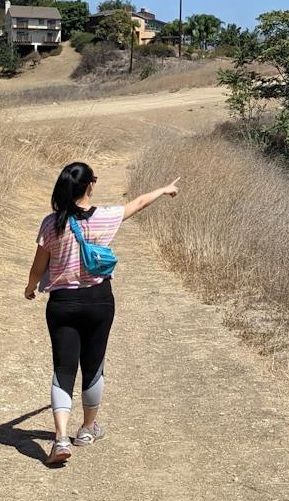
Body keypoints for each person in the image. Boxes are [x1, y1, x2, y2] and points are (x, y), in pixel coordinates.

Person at [24, 162, 181, 465]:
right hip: (99, 300)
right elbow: (137, 204)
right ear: (90, 186)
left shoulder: (51, 224)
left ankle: (59, 439)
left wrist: (30, 288)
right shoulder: (106, 218)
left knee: (63, 369)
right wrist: (164, 189)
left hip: (62, 303)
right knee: (93, 365)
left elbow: (37, 267)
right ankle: (86, 429)